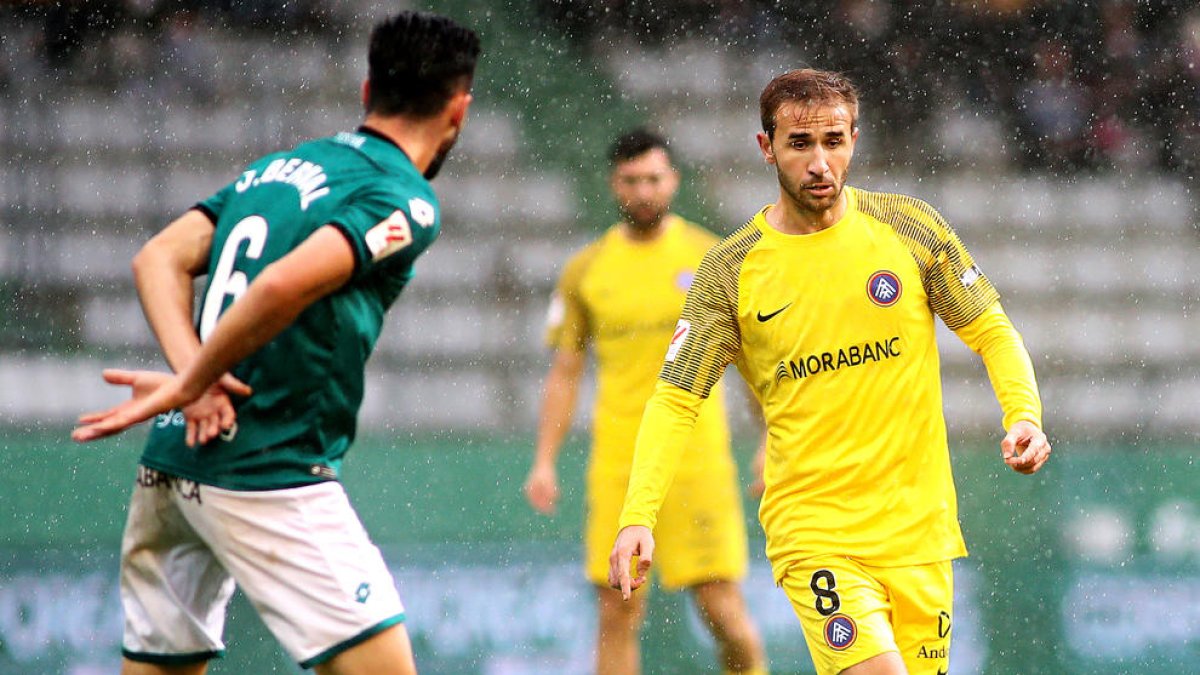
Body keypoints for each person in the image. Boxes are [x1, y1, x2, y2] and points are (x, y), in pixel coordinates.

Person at [71, 11, 479, 675]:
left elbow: (157, 256)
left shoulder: (285, 165)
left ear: (367, 88)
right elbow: (280, 286)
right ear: (458, 108)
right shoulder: (403, 198)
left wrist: (189, 381)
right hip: (268, 467)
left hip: (175, 458)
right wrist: (192, 378)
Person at [609, 69, 1052, 675]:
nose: (820, 162)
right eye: (800, 144)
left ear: (854, 139)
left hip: (919, 531)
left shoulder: (909, 228)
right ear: (767, 148)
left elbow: (991, 329)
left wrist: (1023, 414)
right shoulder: (731, 270)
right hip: (814, 529)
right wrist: (639, 515)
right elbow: (676, 400)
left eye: (834, 141)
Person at [525, 129, 767, 675]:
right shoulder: (587, 269)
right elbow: (566, 371)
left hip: (696, 459)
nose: (643, 191)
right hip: (620, 462)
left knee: (722, 610)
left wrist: (770, 441)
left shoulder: (711, 257)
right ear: (615, 185)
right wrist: (544, 459)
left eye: (654, 179)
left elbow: (751, 364)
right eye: (632, 181)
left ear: (673, 181)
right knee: (617, 609)